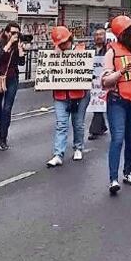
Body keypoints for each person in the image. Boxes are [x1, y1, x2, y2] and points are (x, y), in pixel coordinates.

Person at [100, 15, 131, 194]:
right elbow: (105, 81)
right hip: (118, 101)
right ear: (126, 33)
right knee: (118, 138)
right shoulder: (111, 52)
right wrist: (121, 72)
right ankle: (113, 179)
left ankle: (127, 172)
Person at [45, 26, 90, 167]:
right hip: (61, 95)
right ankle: (58, 154)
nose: (64, 45)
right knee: (61, 124)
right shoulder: (53, 54)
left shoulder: (80, 51)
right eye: (60, 43)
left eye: (65, 42)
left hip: (79, 95)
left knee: (78, 124)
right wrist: (55, 57)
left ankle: (78, 148)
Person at [0, 22, 25, 151]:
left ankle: (2, 138)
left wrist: (20, 49)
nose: (15, 35)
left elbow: (21, 63)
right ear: (7, 32)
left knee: (7, 109)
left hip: (11, 79)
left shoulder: (17, 45)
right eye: (13, 32)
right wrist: (9, 43)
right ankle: (2, 128)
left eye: (17, 33)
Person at [88, 28, 110, 140]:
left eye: (101, 34)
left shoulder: (109, 50)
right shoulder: (89, 49)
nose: (99, 37)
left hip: (105, 81)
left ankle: (94, 130)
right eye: (96, 34)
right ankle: (101, 127)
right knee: (96, 103)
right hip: (93, 82)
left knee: (98, 104)